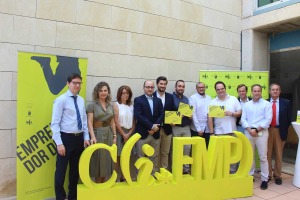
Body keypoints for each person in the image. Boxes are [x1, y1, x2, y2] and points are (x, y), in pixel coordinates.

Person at [51, 73, 90, 200]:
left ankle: (72, 196)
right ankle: (60, 197)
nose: (77, 85)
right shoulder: (61, 100)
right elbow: (55, 123)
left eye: (79, 83)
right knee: (61, 171)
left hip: (78, 139)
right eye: (74, 83)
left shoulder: (81, 100)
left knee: (75, 171)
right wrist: (59, 143)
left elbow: (84, 121)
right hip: (65, 139)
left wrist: (86, 137)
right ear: (68, 84)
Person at [241, 84, 272, 190]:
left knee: (263, 157)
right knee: (250, 155)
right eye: (254, 91)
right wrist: (250, 129)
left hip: (261, 132)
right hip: (249, 132)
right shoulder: (247, 104)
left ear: (261, 92)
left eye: (258, 91)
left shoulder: (267, 104)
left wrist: (257, 130)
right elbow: (243, 119)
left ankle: (264, 179)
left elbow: (268, 119)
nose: (257, 93)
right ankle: (250, 175)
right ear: (251, 92)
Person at [208, 81, 241, 173]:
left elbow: (240, 112)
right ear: (215, 90)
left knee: (233, 154)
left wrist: (233, 113)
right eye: (218, 89)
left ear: (225, 89)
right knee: (220, 154)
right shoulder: (212, 102)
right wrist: (211, 132)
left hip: (232, 131)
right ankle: (221, 172)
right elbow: (210, 118)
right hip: (219, 132)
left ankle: (232, 172)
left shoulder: (233, 99)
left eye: (222, 88)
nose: (220, 90)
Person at [87, 81, 117, 183]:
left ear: (108, 92)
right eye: (101, 91)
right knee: (97, 160)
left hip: (108, 134)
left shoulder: (110, 105)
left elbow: (112, 122)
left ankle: (104, 186)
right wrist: (92, 137)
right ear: (97, 92)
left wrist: (114, 135)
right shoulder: (92, 105)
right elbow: (89, 122)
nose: (103, 92)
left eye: (105, 90)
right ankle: (97, 187)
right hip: (97, 134)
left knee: (106, 160)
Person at [134, 80, 164, 174]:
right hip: (143, 134)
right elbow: (138, 116)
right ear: (144, 88)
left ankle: (152, 176)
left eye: (151, 87)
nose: (150, 89)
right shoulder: (138, 100)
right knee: (140, 157)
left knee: (154, 157)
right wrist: (151, 126)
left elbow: (161, 114)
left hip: (155, 134)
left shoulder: (158, 100)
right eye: (148, 87)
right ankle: (141, 178)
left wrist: (155, 127)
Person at [267, 83, 292, 185]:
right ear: (269, 91)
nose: (275, 91)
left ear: (280, 91)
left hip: (279, 130)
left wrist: (285, 132)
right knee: (267, 154)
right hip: (267, 130)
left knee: (278, 154)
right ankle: (268, 174)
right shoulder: (264, 103)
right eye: (273, 89)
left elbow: (288, 119)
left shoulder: (286, 103)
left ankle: (277, 175)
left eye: (277, 89)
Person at [113, 85, 135, 182]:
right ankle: (115, 178)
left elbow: (134, 122)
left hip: (129, 132)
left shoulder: (131, 106)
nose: (125, 95)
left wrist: (129, 133)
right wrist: (123, 134)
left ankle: (124, 177)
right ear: (119, 94)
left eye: (127, 93)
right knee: (117, 157)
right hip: (119, 132)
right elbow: (116, 121)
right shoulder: (116, 105)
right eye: (123, 93)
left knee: (126, 156)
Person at [153, 76, 175, 170]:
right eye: (161, 84)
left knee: (165, 152)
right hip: (154, 130)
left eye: (164, 84)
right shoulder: (151, 96)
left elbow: (173, 111)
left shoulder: (170, 97)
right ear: (157, 84)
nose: (163, 85)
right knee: (154, 153)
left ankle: (164, 172)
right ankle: (153, 173)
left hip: (167, 129)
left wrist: (174, 121)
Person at [172, 80, 191, 174]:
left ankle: (186, 170)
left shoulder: (186, 99)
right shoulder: (171, 98)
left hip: (186, 127)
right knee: (176, 150)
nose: (181, 88)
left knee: (187, 148)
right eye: (179, 86)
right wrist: (179, 115)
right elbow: (168, 114)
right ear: (175, 87)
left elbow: (189, 112)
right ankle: (176, 170)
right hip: (175, 128)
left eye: (183, 86)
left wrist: (189, 114)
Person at [189, 82, 212, 148]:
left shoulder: (209, 98)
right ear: (196, 89)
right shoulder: (192, 98)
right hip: (196, 129)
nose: (201, 89)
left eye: (203, 87)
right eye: (199, 87)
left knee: (207, 149)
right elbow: (193, 114)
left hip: (207, 129)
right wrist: (198, 129)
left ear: (205, 88)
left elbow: (210, 113)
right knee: (196, 149)